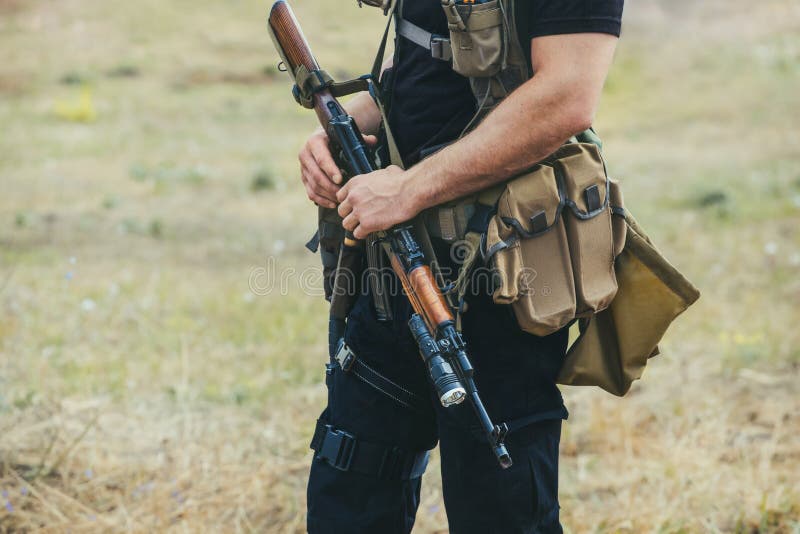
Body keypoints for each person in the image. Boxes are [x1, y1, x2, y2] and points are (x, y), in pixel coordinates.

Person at [297, 1, 624, 532]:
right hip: (392, 261)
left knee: (498, 510)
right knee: (348, 498)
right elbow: (423, 47)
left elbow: (567, 94)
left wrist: (409, 188)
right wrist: (345, 129)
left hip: (502, 275)